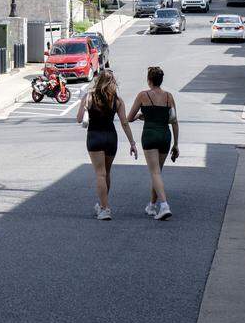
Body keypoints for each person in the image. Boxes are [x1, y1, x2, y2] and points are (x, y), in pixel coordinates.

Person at [76, 69, 137, 221]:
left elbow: (79, 119)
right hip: (111, 137)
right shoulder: (117, 100)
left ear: (98, 80)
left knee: (100, 174)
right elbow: (124, 122)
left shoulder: (89, 97)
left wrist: (84, 106)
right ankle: (103, 205)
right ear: (112, 83)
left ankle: (104, 209)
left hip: (94, 137)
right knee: (106, 173)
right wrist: (132, 143)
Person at [127, 66, 179, 221]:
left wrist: (141, 115)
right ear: (161, 80)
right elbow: (174, 121)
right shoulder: (169, 97)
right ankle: (152, 205)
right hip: (165, 136)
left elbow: (129, 117)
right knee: (158, 173)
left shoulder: (143, 95)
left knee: (154, 173)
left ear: (149, 80)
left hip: (150, 135)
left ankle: (164, 206)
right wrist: (176, 144)